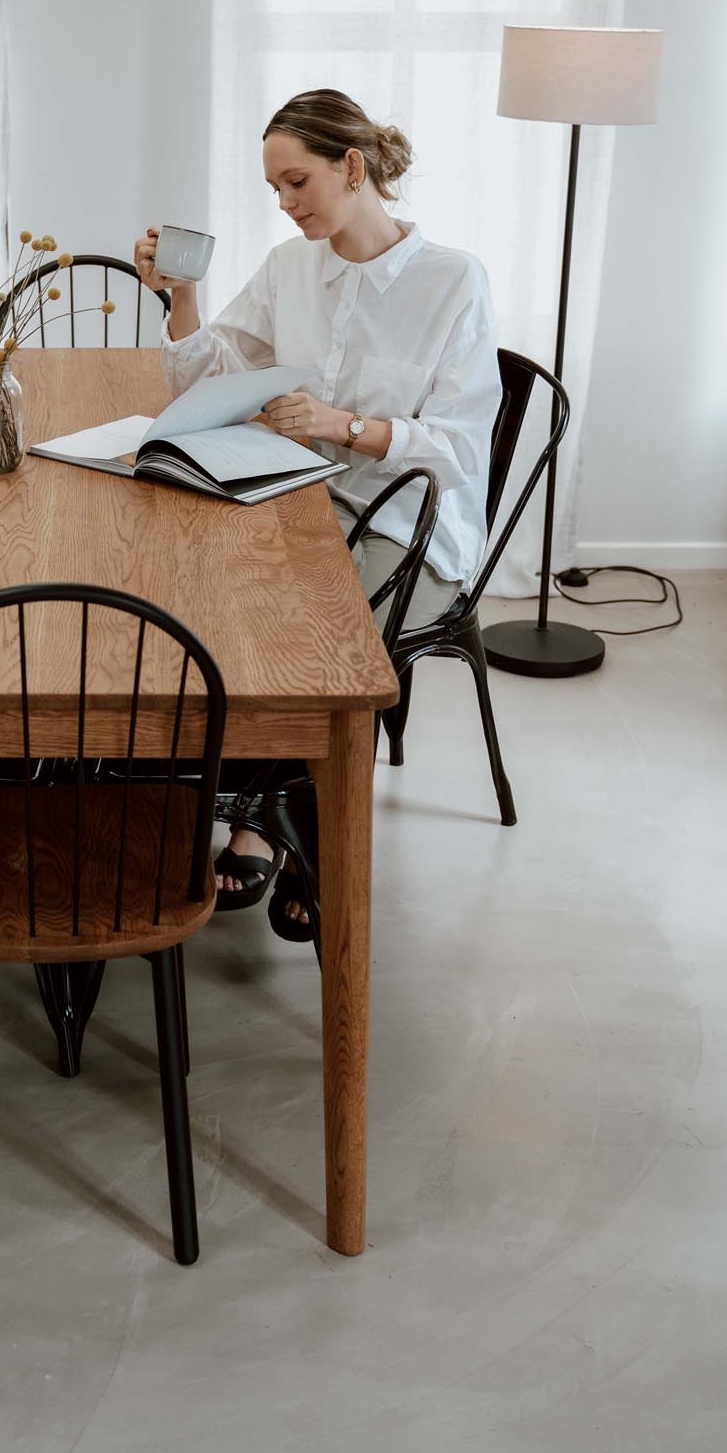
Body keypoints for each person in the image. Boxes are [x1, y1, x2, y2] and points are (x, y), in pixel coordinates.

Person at [133, 87, 500, 940]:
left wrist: (348, 428)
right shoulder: (289, 266)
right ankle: (264, 809)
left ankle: (281, 830)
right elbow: (210, 379)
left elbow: (461, 450)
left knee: (315, 642)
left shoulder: (452, 281)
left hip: (410, 524)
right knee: (198, 593)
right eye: (273, 189)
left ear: (352, 166)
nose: (285, 202)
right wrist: (180, 296)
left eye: (296, 182)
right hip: (294, 494)